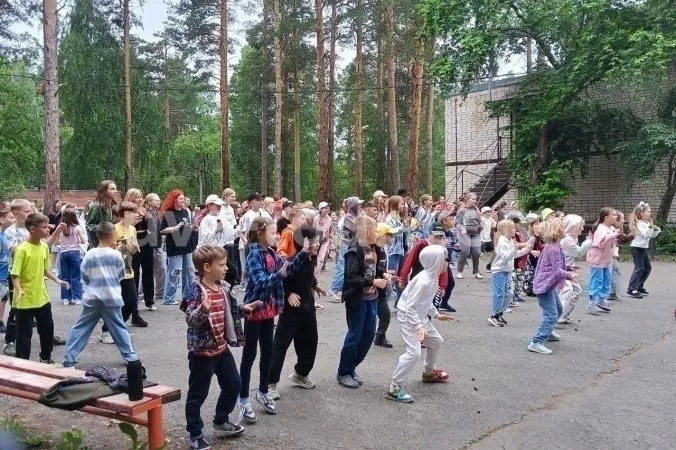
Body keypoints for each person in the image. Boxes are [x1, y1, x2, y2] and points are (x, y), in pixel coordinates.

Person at [183, 245, 255, 449]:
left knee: (234, 383)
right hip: (202, 353)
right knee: (198, 394)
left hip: (221, 349)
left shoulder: (222, 286)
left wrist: (243, 309)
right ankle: (195, 433)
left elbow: (229, 310)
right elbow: (190, 319)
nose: (226, 268)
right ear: (207, 267)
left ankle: (221, 420)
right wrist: (203, 309)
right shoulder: (196, 291)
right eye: (222, 265)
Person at [238, 217, 309, 423]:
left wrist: (303, 253)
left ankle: (263, 391)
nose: (276, 236)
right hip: (254, 310)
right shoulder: (253, 254)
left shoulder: (271, 253)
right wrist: (279, 274)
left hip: (269, 311)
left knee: (267, 352)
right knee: (249, 355)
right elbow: (260, 281)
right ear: (260, 233)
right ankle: (243, 398)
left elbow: (287, 269)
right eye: (272, 233)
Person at [63, 222, 139, 368]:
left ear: (97, 235)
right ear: (113, 235)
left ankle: (70, 358)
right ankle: (130, 357)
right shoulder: (116, 255)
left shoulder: (90, 254)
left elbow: (84, 275)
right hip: (111, 297)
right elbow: (121, 275)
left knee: (81, 327)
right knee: (118, 327)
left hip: (93, 297)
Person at [386, 246, 453, 403]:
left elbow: (425, 301)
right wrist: (418, 327)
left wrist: (436, 314)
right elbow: (410, 307)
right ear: (436, 261)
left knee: (436, 341)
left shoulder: (432, 277)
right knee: (414, 353)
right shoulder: (424, 281)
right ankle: (394, 388)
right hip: (409, 318)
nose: (448, 262)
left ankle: (428, 373)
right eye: (445, 259)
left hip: (419, 317)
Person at [268, 227, 325, 400]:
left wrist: (315, 285)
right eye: (315, 241)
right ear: (304, 242)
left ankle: (300, 374)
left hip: (307, 308)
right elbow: (279, 280)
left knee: (310, 342)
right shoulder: (293, 261)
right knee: (280, 345)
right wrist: (288, 294)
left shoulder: (310, 259)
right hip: (291, 311)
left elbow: (309, 275)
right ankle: (269, 384)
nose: (318, 244)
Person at [336, 216, 389, 389]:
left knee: (368, 336)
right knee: (355, 335)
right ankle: (344, 372)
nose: (377, 233)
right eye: (375, 229)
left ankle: (351, 367)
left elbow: (374, 270)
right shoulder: (355, 251)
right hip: (358, 300)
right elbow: (352, 278)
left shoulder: (373, 248)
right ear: (366, 232)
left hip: (372, 299)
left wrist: (383, 274)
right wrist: (372, 282)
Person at [11, 213, 69, 363]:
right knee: (24, 335)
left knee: (47, 330)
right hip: (25, 300)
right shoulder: (22, 250)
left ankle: (45, 358)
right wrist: (19, 290)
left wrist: (57, 280)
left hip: (42, 298)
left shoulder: (43, 246)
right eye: (44, 227)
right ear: (32, 229)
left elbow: (44, 270)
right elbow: (15, 274)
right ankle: (22, 364)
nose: (48, 229)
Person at [527, 218, 577, 355]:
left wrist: (569, 267)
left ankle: (547, 331)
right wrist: (569, 275)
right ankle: (537, 341)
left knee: (558, 309)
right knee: (551, 314)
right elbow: (556, 271)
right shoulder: (554, 248)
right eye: (563, 227)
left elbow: (554, 266)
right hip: (545, 285)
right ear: (558, 231)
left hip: (548, 284)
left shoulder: (553, 246)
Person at [101, 202, 148, 344]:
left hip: (128, 271)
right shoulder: (114, 229)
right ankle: (106, 331)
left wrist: (134, 248)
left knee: (131, 301)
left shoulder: (132, 229)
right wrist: (119, 249)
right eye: (135, 212)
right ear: (126, 214)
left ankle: (117, 327)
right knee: (114, 304)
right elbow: (106, 251)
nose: (137, 215)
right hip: (114, 273)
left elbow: (132, 251)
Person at [488, 220, 532, 327]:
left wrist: (525, 250)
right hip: (499, 271)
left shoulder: (510, 241)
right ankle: (494, 315)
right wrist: (514, 249)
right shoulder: (501, 242)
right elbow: (505, 257)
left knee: (509, 293)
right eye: (512, 228)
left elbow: (513, 255)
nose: (515, 229)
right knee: (500, 294)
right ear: (506, 229)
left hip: (507, 270)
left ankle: (500, 313)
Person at [160, 190, 196, 306]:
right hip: (175, 246)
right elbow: (162, 230)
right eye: (180, 198)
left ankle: (187, 296)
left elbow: (187, 227)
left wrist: (192, 227)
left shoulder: (185, 211)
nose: (183, 200)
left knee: (189, 272)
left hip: (187, 245)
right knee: (174, 272)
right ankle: (168, 298)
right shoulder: (169, 213)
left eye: (183, 198)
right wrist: (175, 228)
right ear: (174, 200)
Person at [558, 214, 592, 324]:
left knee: (576, 290)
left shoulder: (572, 238)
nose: (582, 228)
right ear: (573, 226)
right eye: (580, 226)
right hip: (562, 270)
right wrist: (589, 241)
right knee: (567, 290)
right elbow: (580, 252)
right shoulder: (567, 239)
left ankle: (563, 315)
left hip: (567, 268)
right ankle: (558, 315)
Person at [125, 189, 155, 311]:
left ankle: (149, 300)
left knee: (148, 270)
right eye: (137, 197)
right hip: (134, 241)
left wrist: (149, 220)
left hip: (146, 241)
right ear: (131, 198)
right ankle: (133, 302)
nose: (140, 199)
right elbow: (125, 226)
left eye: (141, 196)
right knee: (135, 271)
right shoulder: (127, 210)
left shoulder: (145, 210)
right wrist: (135, 221)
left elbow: (151, 226)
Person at [586, 207, 620, 314]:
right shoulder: (601, 229)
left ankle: (601, 299)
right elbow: (601, 244)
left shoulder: (611, 228)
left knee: (607, 279)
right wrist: (613, 235)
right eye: (613, 215)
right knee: (597, 280)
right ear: (606, 217)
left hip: (606, 260)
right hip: (597, 259)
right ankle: (592, 302)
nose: (616, 216)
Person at [328, 197, 362, 301]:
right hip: (346, 245)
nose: (360, 206)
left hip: (352, 245)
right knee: (342, 268)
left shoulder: (356, 216)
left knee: (348, 268)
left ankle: (342, 288)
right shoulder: (348, 217)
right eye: (358, 204)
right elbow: (356, 229)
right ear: (353, 205)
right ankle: (333, 290)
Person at [237, 193, 272, 292]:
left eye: (261, 200)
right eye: (258, 200)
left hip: (262, 243)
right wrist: (247, 242)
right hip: (250, 243)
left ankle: (259, 283)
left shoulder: (264, 213)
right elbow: (241, 231)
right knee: (247, 266)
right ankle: (244, 284)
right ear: (252, 203)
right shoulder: (248, 216)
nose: (261, 202)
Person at [627, 202, 661, 299]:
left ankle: (639, 286)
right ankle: (632, 289)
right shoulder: (639, 224)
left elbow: (651, 236)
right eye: (648, 212)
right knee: (639, 268)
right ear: (641, 213)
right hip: (637, 248)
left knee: (647, 268)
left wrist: (656, 230)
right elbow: (645, 235)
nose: (650, 214)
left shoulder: (646, 223)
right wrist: (650, 228)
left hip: (643, 248)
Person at [56, 206, 86, 306]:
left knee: (64, 276)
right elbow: (83, 241)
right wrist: (77, 240)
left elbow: (56, 243)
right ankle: (77, 298)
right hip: (75, 252)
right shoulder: (77, 228)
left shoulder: (60, 228)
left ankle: (66, 298)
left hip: (63, 253)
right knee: (76, 276)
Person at [373, 223, 397, 349]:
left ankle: (380, 336)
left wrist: (386, 273)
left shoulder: (382, 249)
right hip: (373, 287)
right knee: (374, 315)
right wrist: (382, 274)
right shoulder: (374, 249)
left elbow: (380, 268)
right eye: (390, 234)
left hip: (381, 287)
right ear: (383, 236)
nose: (392, 237)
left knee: (385, 315)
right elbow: (371, 269)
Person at [384, 195, 407, 302]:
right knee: (391, 276)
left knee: (401, 276)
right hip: (392, 252)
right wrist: (402, 227)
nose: (404, 206)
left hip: (400, 250)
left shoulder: (398, 218)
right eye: (402, 204)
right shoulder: (389, 218)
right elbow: (391, 231)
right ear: (395, 204)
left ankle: (400, 300)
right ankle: (383, 300)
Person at [455, 193, 483, 279]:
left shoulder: (477, 210)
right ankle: (459, 271)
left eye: (475, 199)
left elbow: (480, 221)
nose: (475, 200)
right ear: (467, 200)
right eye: (473, 199)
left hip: (476, 233)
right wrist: (462, 229)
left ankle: (476, 271)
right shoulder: (462, 210)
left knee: (477, 252)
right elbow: (457, 223)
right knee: (465, 251)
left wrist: (481, 226)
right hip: (465, 233)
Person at [144, 193, 165, 307]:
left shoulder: (159, 214)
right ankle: (142, 295)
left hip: (157, 244)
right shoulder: (145, 213)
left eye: (159, 200)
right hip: (147, 245)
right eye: (156, 200)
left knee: (161, 268)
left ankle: (159, 293)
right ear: (149, 201)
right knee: (147, 271)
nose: (159, 202)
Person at [85, 180, 118, 248]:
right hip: (98, 247)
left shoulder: (112, 207)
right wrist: (104, 228)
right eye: (112, 189)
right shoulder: (96, 207)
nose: (116, 191)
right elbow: (89, 226)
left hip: (110, 246)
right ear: (104, 191)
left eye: (116, 189)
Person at [0, 209, 16, 334]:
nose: (14, 220)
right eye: (11, 217)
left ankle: (0, 321)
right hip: (1, 273)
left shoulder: (5, 235)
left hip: (5, 272)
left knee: (4, 298)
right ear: (2, 220)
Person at [608, 211, 629, 301]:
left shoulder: (617, 230)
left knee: (615, 271)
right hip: (609, 255)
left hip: (612, 255)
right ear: (616, 220)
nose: (624, 221)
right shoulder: (613, 230)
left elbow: (623, 240)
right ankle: (610, 293)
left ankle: (612, 292)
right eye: (622, 218)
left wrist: (631, 235)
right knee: (611, 272)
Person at [220, 188, 240, 284]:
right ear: (225, 196)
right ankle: (222, 282)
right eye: (232, 196)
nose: (234, 198)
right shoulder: (220, 208)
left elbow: (233, 223)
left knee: (230, 263)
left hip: (230, 239)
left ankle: (228, 284)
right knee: (223, 262)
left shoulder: (231, 209)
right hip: (222, 240)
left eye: (234, 197)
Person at [313, 202, 332, 275]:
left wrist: (330, 240)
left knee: (321, 258)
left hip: (325, 241)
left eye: (328, 208)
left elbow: (329, 230)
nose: (328, 209)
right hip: (315, 241)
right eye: (325, 208)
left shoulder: (329, 219)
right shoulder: (316, 218)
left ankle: (316, 274)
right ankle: (312, 274)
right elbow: (313, 230)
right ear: (320, 209)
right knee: (314, 257)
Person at [47, 199, 62, 269]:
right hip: (53, 232)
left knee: (58, 249)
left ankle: (56, 265)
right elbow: (48, 222)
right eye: (58, 203)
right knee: (54, 250)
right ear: (55, 204)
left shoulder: (61, 212)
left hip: (60, 232)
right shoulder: (51, 213)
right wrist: (51, 225)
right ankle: (52, 266)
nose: (60, 204)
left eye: (61, 203)